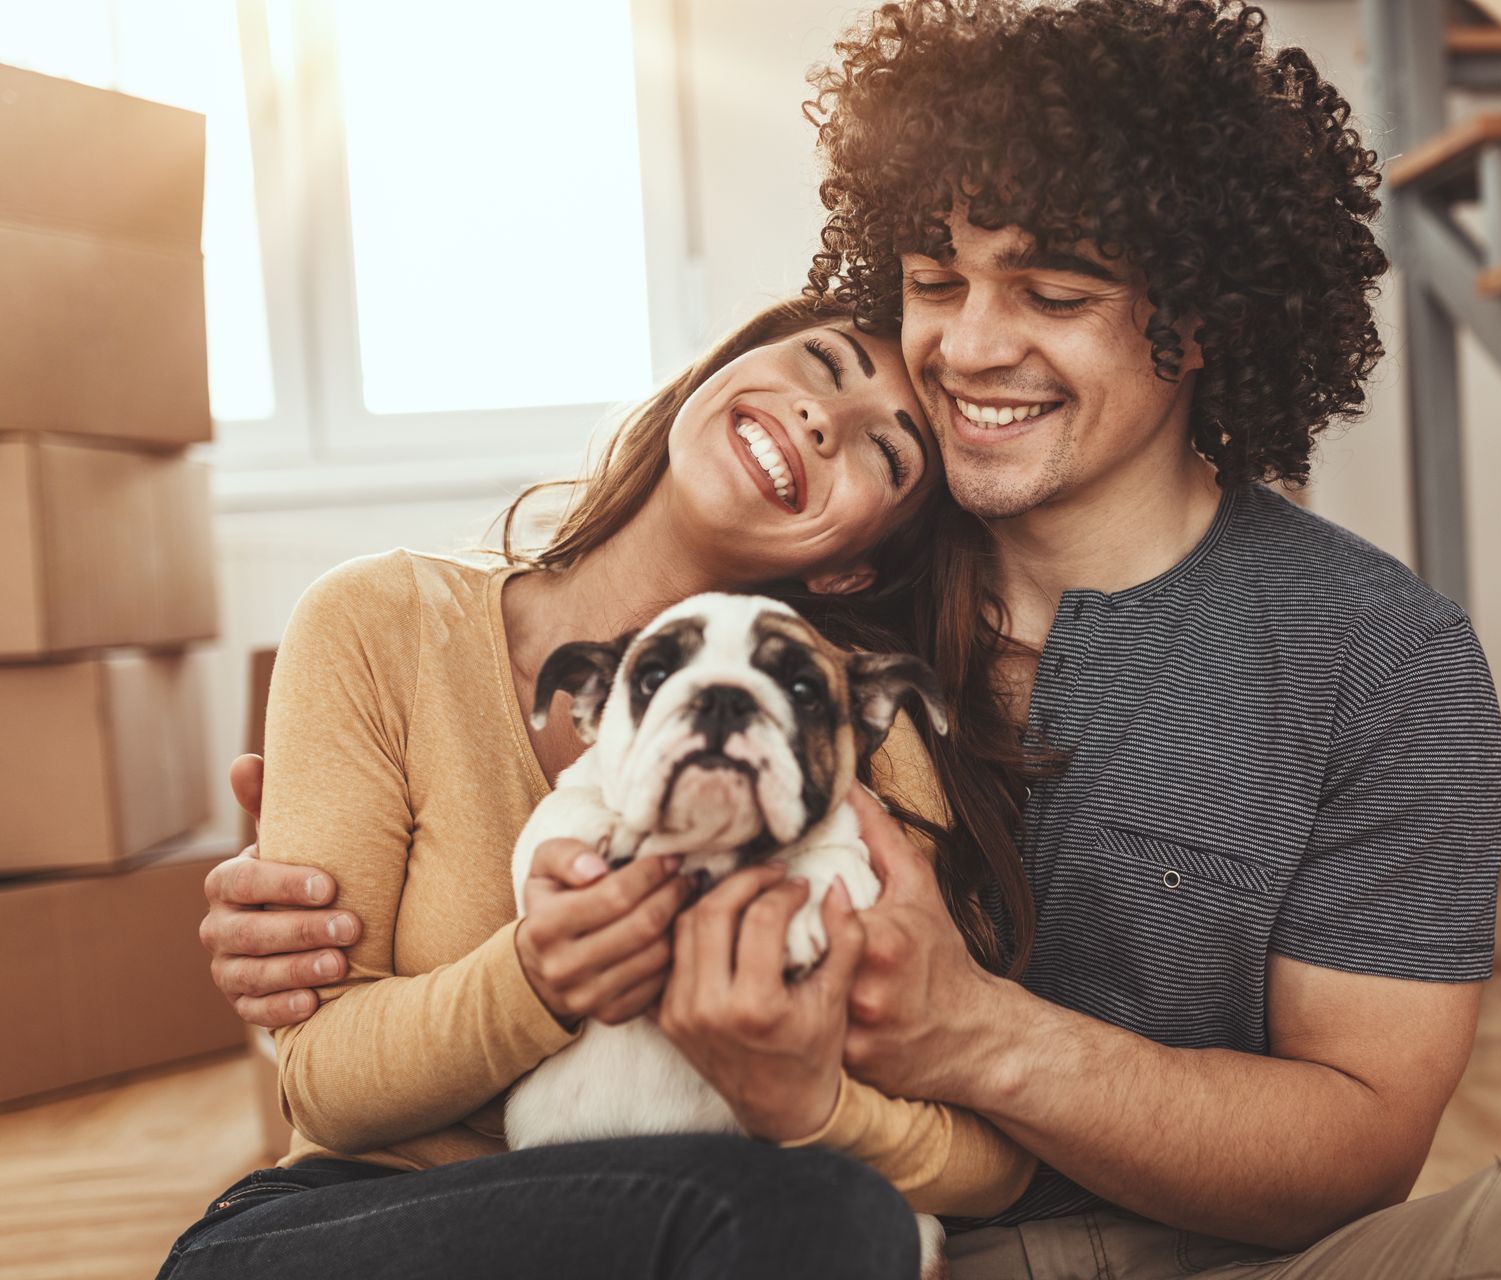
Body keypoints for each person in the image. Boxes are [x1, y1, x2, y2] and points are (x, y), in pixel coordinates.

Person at [205, 1, 1501, 1277]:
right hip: (813, 1238)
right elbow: (527, 738)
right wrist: (296, 899)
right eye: (933, 277)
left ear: (1203, 321)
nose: (961, 347)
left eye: (1056, 290)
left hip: (1194, 1256)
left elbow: (1355, 1150)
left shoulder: (1371, 658)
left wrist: (972, 1035)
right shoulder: (811, 597)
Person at [164, 297, 1039, 1280]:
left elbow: (989, 1157)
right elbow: (323, 1085)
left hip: (727, 1217)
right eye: (818, 367)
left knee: (834, 1219)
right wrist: (535, 980)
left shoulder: (853, 741)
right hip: (367, 1214)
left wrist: (813, 1106)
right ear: (718, 371)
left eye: (886, 452)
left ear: (855, 567)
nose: (819, 421)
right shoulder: (378, 620)